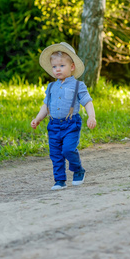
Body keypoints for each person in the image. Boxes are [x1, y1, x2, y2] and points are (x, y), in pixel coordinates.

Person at [31, 42, 97, 190]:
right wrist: (37, 118)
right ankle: (60, 180)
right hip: (54, 125)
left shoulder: (78, 85)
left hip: (70, 124)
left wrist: (91, 116)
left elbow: (87, 102)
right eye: (54, 67)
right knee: (55, 154)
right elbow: (45, 106)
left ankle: (78, 170)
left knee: (68, 149)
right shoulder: (51, 87)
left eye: (61, 66)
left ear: (72, 67)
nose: (57, 69)